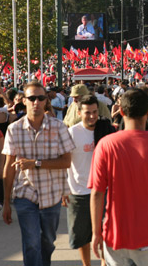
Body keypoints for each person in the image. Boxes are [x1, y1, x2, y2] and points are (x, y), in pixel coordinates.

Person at [89, 88, 148, 266]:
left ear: (122, 111)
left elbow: (97, 193)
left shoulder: (105, 145)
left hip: (116, 236)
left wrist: (96, 232)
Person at [2, 81, 75, 266]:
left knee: (47, 242)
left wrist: (35, 164)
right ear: (24, 101)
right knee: (31, 243)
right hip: (25, 194)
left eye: (40, 98)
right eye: (32, 98)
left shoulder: (59, 127)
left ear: (45, 101)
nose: (36, 102)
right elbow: (8, 166)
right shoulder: (14, 129)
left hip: (52, 195)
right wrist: (5, 202)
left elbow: (67, 161)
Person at [64, 94, 114, 266]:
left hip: (104, 191)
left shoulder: (106, 130)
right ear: (79, 113)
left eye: (94, 112)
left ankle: (104, 262)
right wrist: (64, 189)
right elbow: (65, 163)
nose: (92, 116)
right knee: (81, 237)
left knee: (105, 233)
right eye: (87, 113)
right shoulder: (72, 133)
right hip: (79, 192)